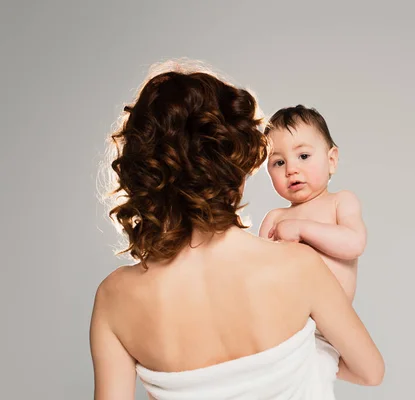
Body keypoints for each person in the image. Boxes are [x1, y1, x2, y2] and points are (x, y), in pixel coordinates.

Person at [90, 60, 384, 400]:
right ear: (236, 163)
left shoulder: (113, 300)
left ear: (142, 172)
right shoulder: (298, 265)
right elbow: (370, 371)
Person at [259, 105, 367, 388]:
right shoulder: (275, 217)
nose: (292, 169)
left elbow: (354, 243)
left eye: (304, 156)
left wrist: (303, 229)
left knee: (312, 386)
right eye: (278, 162)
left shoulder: (340, 202)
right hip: (284, 330)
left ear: (331, 160)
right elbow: (257, 274)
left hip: (328, 330)